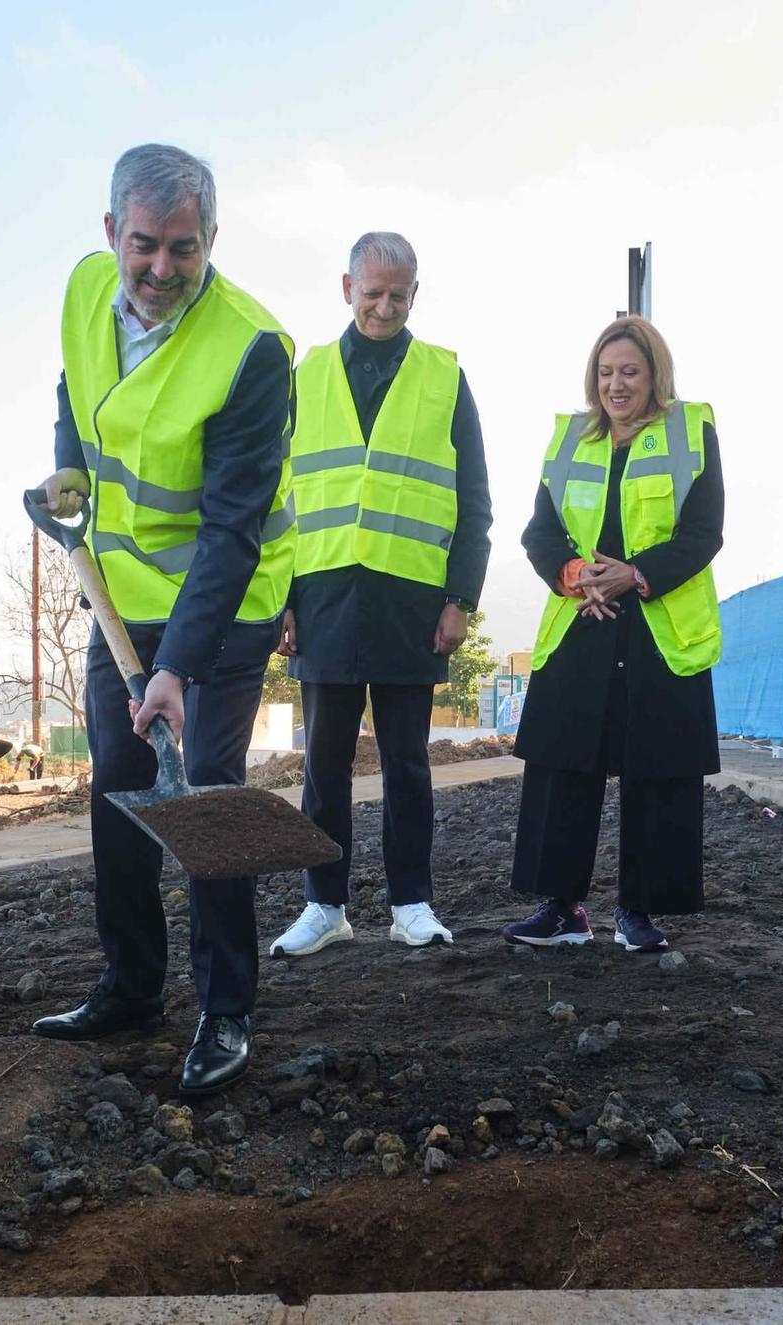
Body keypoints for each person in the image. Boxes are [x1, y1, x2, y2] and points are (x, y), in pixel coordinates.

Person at [30, 144, 296, 1097]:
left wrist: (179, 667)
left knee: (206, 795)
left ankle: (226, 1009)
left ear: (212, 238)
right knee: (118, 786)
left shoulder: (251, 351)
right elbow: (75, 391)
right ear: (113, 232)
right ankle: (133, 984)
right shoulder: (83, 290)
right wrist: (68, 465)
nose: (161, 268)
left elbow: (230, 530)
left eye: (185, 248)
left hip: (225, 607)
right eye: (144, 244)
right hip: (121, 598)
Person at [270, 232, 492, 957]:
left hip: (411, 603)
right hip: (323, 598)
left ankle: (411, 903)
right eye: (373, 293)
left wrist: (460, 598)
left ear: (415, 293)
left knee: (407, 765)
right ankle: (324, 905)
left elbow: (474, 500)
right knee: (323, 767)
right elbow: (277, 497)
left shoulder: (445, 377)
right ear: (347, 288)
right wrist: (281, 598)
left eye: (399, 295)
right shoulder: (304, 376)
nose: (385, 307)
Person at [499, 316, 723, 952]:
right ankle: (560, 909)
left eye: (629, 372)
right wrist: (576, 577)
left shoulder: (691, 431)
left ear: (655, 375)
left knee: (657, 770)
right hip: (583, 617)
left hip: (660, 623)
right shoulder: (570, 440)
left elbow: (704, 532)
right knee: (563, 765)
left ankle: (639, 912)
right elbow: (540, 533)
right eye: (605, 373)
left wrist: (636, 574)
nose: (616, 385)